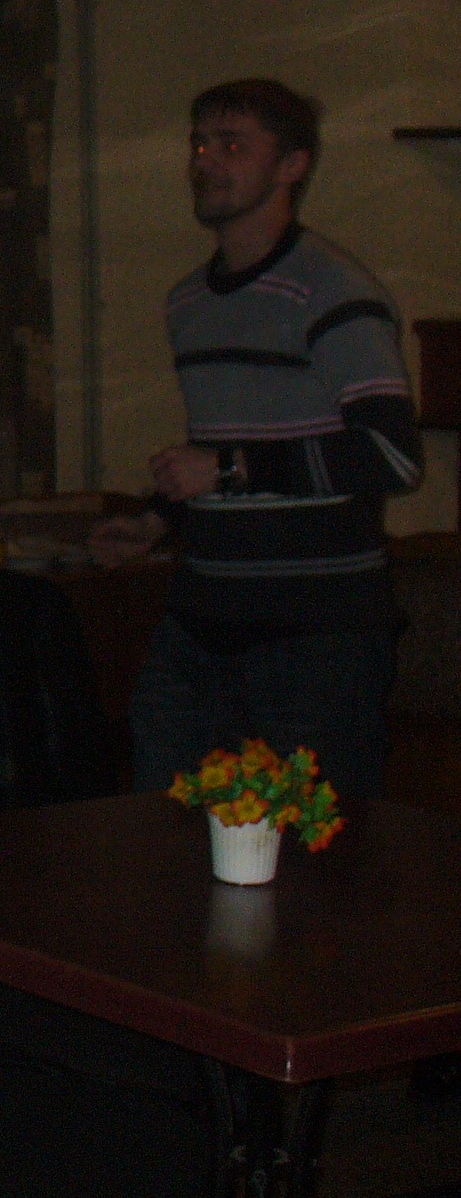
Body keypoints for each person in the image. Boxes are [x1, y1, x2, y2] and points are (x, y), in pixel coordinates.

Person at [91, 79, 419, 799]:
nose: (206, 161)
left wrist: (226, 469)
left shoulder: (335, 292)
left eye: (233, 144)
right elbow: (224, 446)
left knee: (315, 850)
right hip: (202, 621)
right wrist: (157, 518)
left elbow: (390, 456)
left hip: (316, 638)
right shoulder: (189, 301)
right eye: (200, 143)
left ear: (292, 165)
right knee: (167, 830)